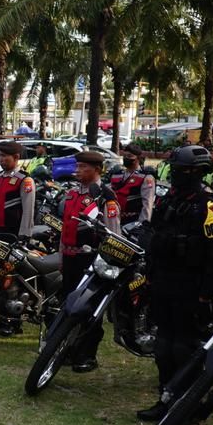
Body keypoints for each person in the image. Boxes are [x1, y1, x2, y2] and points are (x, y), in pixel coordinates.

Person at [137, 146, 213, 421]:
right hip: (163, 280)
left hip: (191, 284)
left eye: (184, 170)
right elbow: (154, 235)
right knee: (163, 346)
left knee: (184, 347)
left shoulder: (210, 205)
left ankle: (185, 404)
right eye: (175, 169)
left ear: (199, 172)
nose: (177, 174)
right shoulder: (169, 200)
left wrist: (205, 295)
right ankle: (165, 399)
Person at [58, 151, 121, 373]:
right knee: (68, 306)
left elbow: (113, 234)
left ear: (97, 169)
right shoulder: (72, 194)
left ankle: (87, 354)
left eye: (83, 166)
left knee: (89, 310)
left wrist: (107, 264)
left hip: (90, 261)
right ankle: (68, 349)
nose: (78, 170)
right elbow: (65, 228)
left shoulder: (105, 196)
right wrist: (61, 255)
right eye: (78, 166)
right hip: (70, 257)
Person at [0, 141, 36, 238]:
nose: (1, 159)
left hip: (13, 231)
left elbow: (28, 210)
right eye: (0, 156)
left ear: (16, 157)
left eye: (4, 156)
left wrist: (25, 234)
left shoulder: (24, 180)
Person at [109, 144, 156, 224]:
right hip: (114, 218)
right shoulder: (117, 175)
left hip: (133, 221)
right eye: (124, 156)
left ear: (138, 158)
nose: (126, 158)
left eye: (130, 156)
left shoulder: (145, 177)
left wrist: (142, 224)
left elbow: (147, 203)